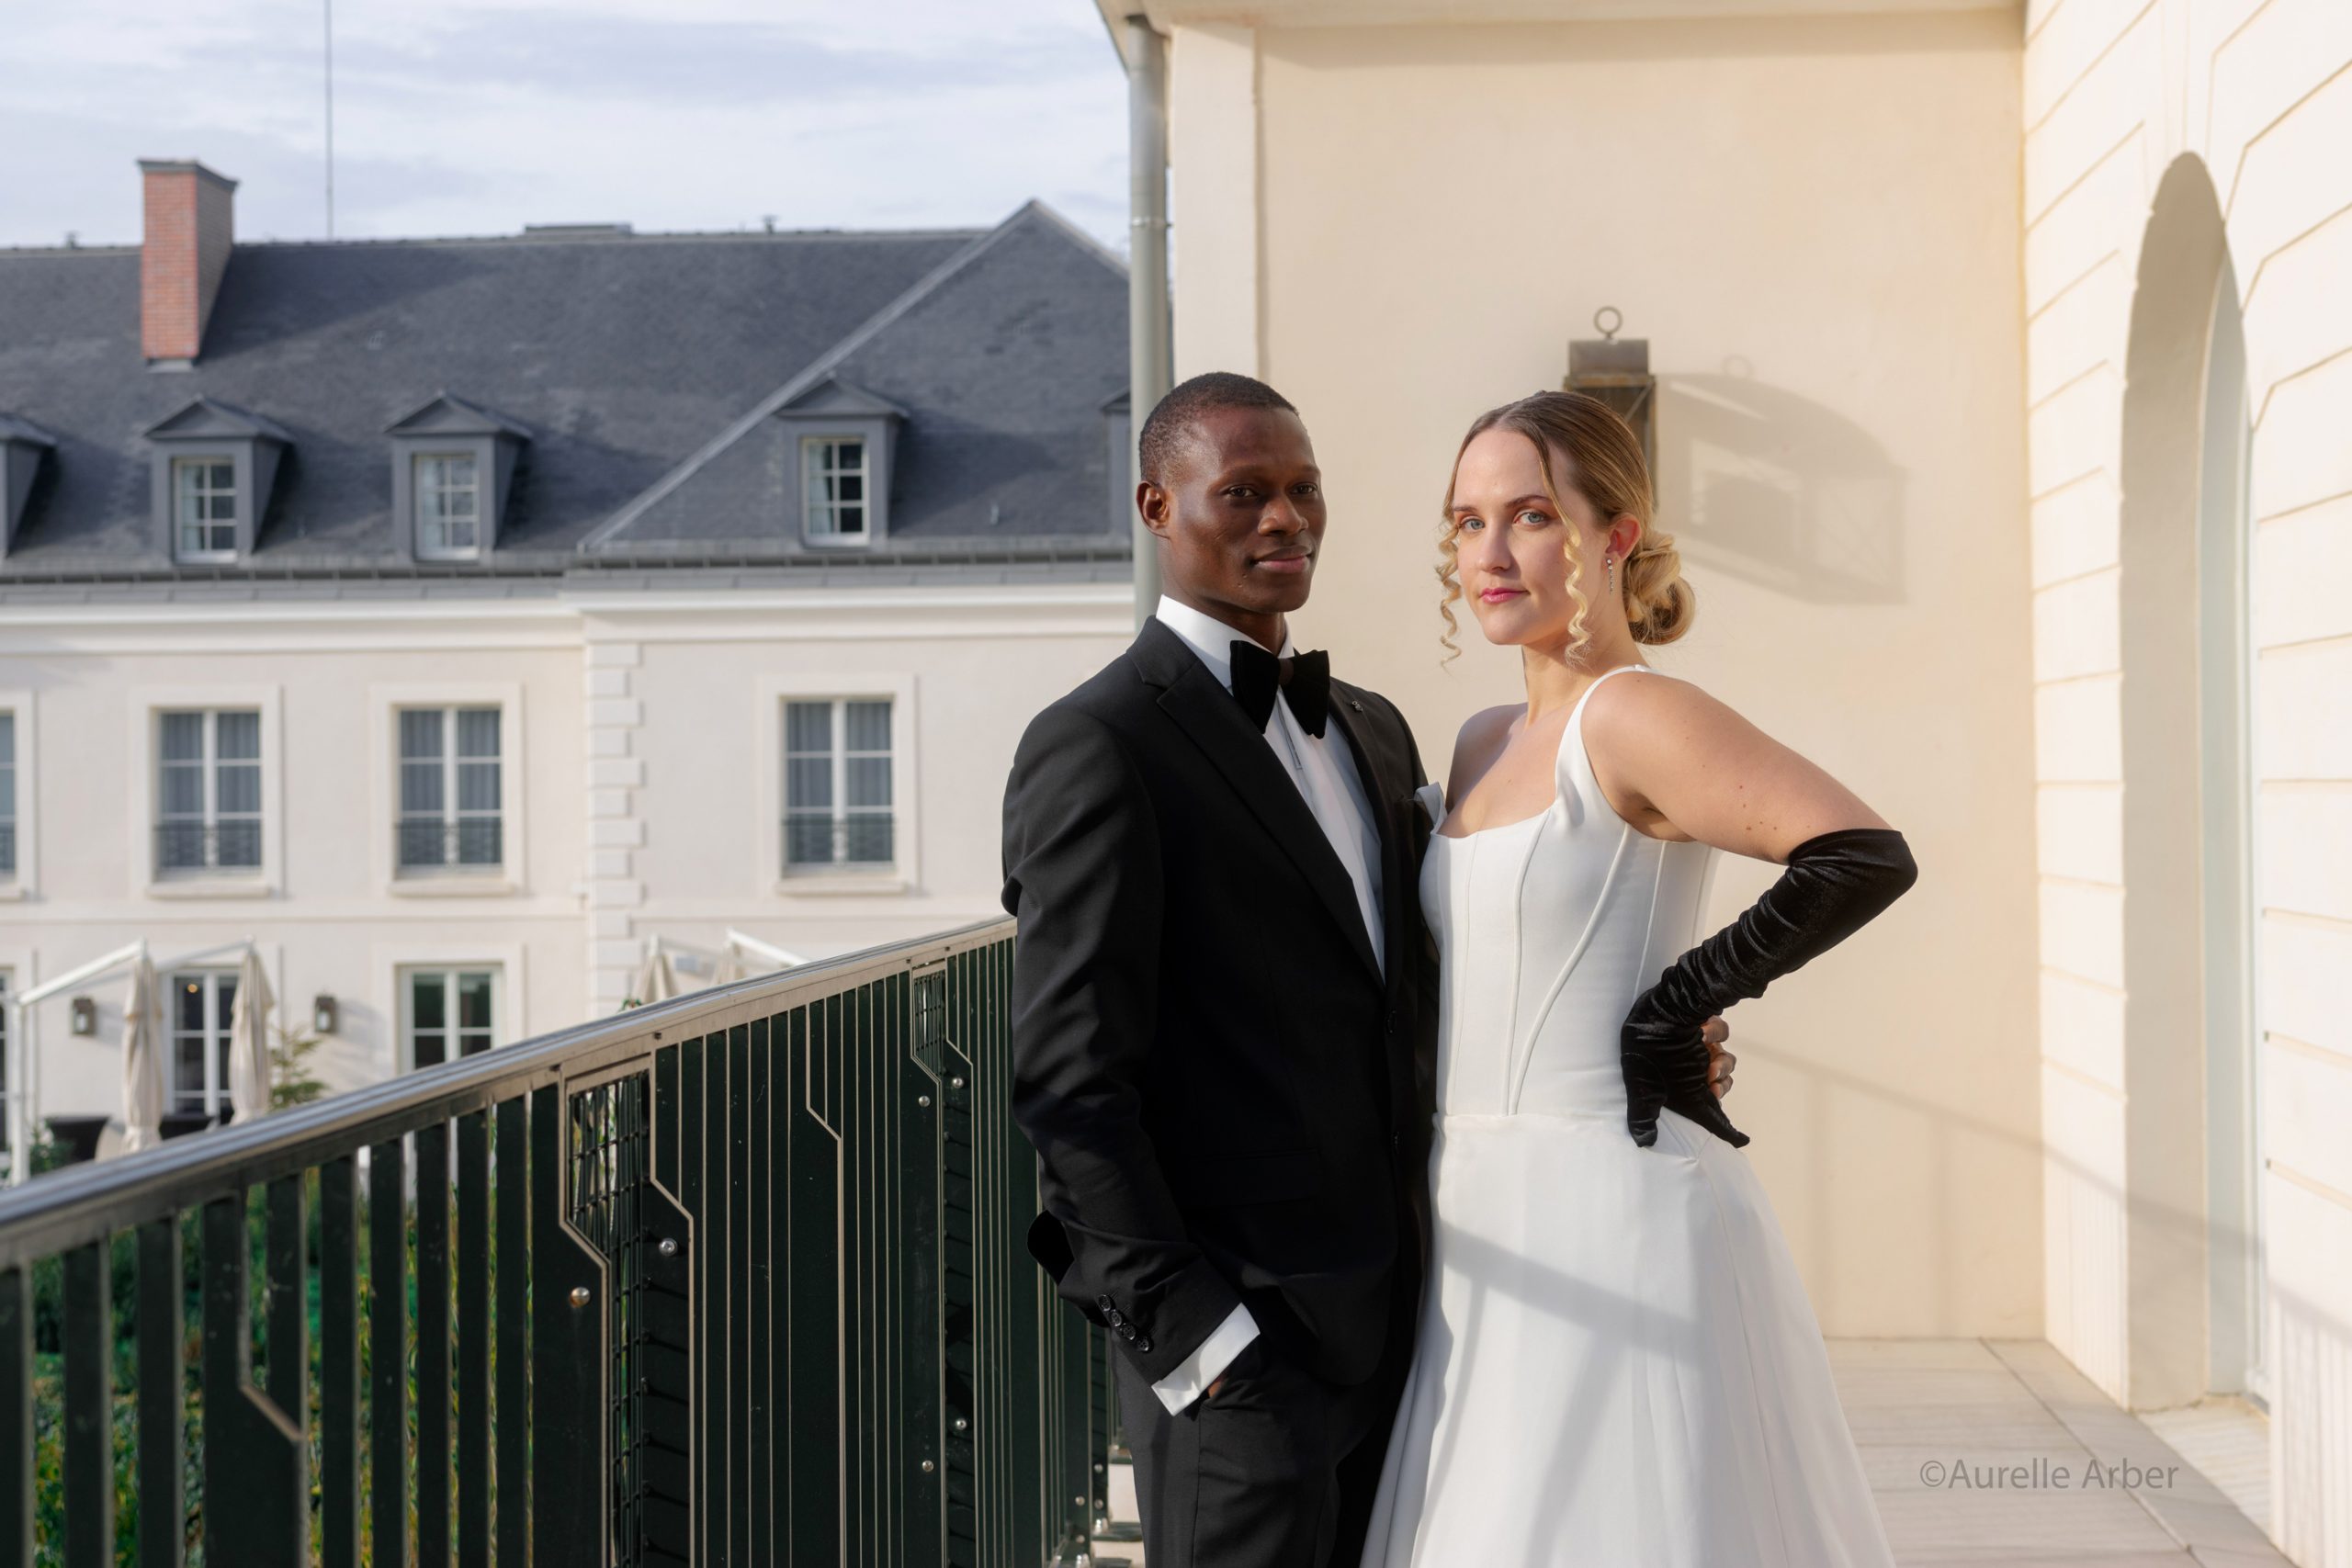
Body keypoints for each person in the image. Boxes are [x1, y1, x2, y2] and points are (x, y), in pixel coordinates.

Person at [1001, 371, 1735, 1567]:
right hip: (1240, 1363)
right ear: (1155, 506)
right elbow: (1068, 1086)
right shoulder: (1099, 744)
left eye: (1303, 489)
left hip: (1416, 1333)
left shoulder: (1370, 727)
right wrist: (1197, 1345)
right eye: (1244, 492)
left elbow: (1442, 978)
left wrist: (1647, 1022)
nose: (1284, 519)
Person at [1360, 389, 1916, 1566]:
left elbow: (1860, 855)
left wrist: (1676, 1009)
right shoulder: (1477, 741)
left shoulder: (1636, 714)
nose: (1488, 554)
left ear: (1615, 535)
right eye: (1466, 521)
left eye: (1529, 516)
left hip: (1611, 1197)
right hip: (1471, 1206)